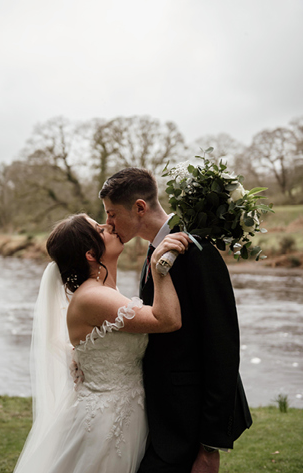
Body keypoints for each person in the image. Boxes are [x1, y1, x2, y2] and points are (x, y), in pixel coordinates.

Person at [100, 167, 252, 473]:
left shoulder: (196, 251)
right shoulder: (155, 249)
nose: (108, 223)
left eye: (112, 214)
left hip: (187, 424)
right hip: (161, 421)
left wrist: (210, 447)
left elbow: (222, 346)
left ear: (139, 208)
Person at [14, 213, 191, 473]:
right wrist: (158, 268)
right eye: (99, 229)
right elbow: (167, 320)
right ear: (90, 254)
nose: (109, 225)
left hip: (127, 413)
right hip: (106, 424)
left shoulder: (104, 294)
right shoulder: (93, 297)